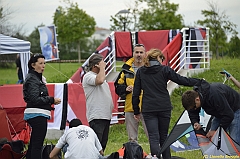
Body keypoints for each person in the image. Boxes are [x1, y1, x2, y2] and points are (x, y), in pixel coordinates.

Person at [132, 48, 201, 159]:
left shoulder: (141, 71)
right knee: (164, 137)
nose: (162, 61)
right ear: (158, 58)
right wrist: (199, 82)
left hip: (149, 108)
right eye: (162, 58)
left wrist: (136, 111)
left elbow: (136, 93)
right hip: (164, 106)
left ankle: (156, 158)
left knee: (154, 137)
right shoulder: (165, 70)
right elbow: (182, 80)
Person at [23, 53, 61, 159]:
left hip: (37, 113)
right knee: (37, 145)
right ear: (33, 65)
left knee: (34, 144)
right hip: (36, 114)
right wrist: (51, 100)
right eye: (40, 63)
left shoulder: (36, 78)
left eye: (44, 63)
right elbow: (35, 99)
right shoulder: (32, 79)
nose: (43, 65)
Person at [181, 79, 240, 145]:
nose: (195, 109)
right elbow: (192, 111)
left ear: (197, 99)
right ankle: (219, 154)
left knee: (235, 141)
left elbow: (229, 115)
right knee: (212, 138)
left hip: (236, 110)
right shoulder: (195, 97)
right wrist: (195, 122)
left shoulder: (214, 95)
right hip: (220, 113)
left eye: (195, 107)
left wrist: (216, 131)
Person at [114, 43, 148, 142]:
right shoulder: (126, 70)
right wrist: (125, 89)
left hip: (148, 106)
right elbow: (117, 87)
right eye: (136, 52)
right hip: (130, 107)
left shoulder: (149, 68)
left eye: (141, 52)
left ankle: (155, 156)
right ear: (133, 53)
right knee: (132, 139)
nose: (139, 55)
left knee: (152, 136)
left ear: (145, 54)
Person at [82, 53, 114, 152]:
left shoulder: (101, 77)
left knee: (102, 144)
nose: (104, 64)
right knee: (97, 145)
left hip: (105, 115)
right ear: (95, 65)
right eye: (102, 63)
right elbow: (99, 80)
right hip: (97, 116)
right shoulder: (88, 76)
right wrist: (102, 68)